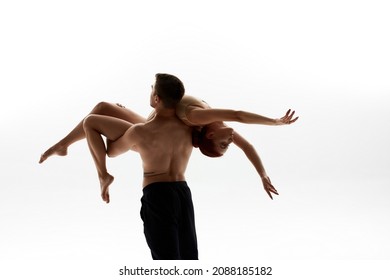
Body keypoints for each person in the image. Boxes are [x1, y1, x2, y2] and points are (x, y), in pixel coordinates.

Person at [39, 89, 298, 202]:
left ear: (209, 136)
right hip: (149, 122)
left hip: (143, 134)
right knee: (103, 107)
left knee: (95, 122)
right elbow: (248, 144)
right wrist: (263, 174)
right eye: (227, 144)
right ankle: (63, 145)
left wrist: (276, 122)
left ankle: (103, 171)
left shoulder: (201, 120)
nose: (230, 141)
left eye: (224, 145)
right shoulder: (217, 127)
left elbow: (239, 114)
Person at [87, 73, 198, 259]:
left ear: (156, 98)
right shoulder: (188, 126)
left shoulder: (140, 131)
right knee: (189, 259)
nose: (150, 89)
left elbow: (111, 150)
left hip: (158, 194)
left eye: (152, 88)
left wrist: (116, 133)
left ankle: (103, 176)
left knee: (166, 261)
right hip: (182, 192)